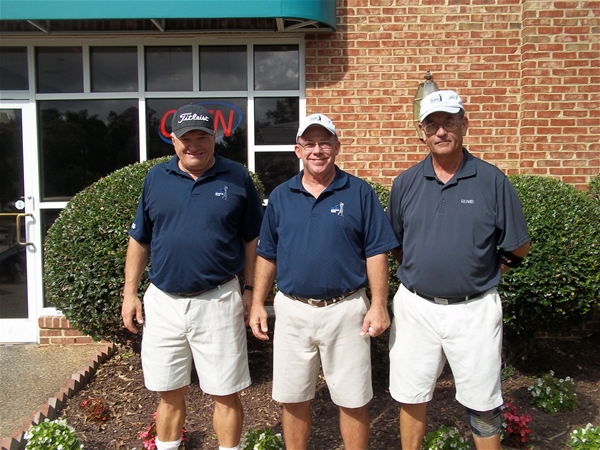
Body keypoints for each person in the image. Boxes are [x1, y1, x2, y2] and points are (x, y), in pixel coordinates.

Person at [386, 90, 531, 449]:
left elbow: (518, 246)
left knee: (483, 403)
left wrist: (484, 272)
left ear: (464, 124)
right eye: (432, 124)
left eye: (449, 122)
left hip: (475, 310)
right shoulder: (405, 183)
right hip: (415, 308)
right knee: (411, 395)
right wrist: (425, 269)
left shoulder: (492, 180)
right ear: (421, 131)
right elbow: (396, 244)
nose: (441, 131)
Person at [249, 114, 399, 450]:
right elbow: (267, 254)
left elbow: (376, 252)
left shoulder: (360, 193)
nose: (317, 150)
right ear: (298, 150)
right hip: (293, 310)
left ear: (337, 147)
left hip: (346, 309)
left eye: (325, 143)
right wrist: (258, 302)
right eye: (309, 144)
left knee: (353, 399)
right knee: (293, 397)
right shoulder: (281, 196)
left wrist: (378, 305)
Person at [121, 104, 263, 450]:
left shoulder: (237, 177)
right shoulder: (156, 178)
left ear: (215, 137)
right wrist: (129, 293)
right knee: (169, 393)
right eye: (187, 138)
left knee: (225, 392)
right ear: (174, 140)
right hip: (164, 302)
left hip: (218, 299)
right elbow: (140, 238)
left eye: (202, 137)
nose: (194, 145)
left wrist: (251, 290)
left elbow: (253, 240)